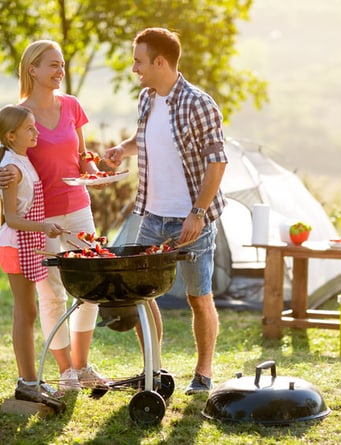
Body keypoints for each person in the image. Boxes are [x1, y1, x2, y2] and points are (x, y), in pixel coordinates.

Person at [104, 27, 228, 394]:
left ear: (160, 61)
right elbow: (144, 138)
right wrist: (120, 151)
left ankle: (203, 374)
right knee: (140, 296)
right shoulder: (146, 98)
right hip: (152, 216)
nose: (134, 69)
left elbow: (217, 162)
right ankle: (154, 371)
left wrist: (198, 212)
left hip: (192, 220)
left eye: (139, 61)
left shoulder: (199, 103)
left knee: (198, 296)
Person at [0, 40, 104, 391]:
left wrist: (92, 168)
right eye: (53, 65)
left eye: (61, 65)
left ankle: (83, 365)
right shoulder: (19, 115)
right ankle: (65, 372)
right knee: (52, 295)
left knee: (90, 288)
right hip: (39, 218)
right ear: (33, 69)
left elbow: (82, 154)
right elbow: (8, 160)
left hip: (78, 207)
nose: (60, 71)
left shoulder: (72, 106)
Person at [0, 104, 66, 401]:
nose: (36, 132)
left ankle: (30, 380)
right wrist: (44, 226)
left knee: (29, 312)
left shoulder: (22, 160)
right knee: (24, 313)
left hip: (26, 242)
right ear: (11, 136)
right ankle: (27, 383)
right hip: (16, 244)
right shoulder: (12, 169)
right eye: (30, 129)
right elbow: (11, 218)